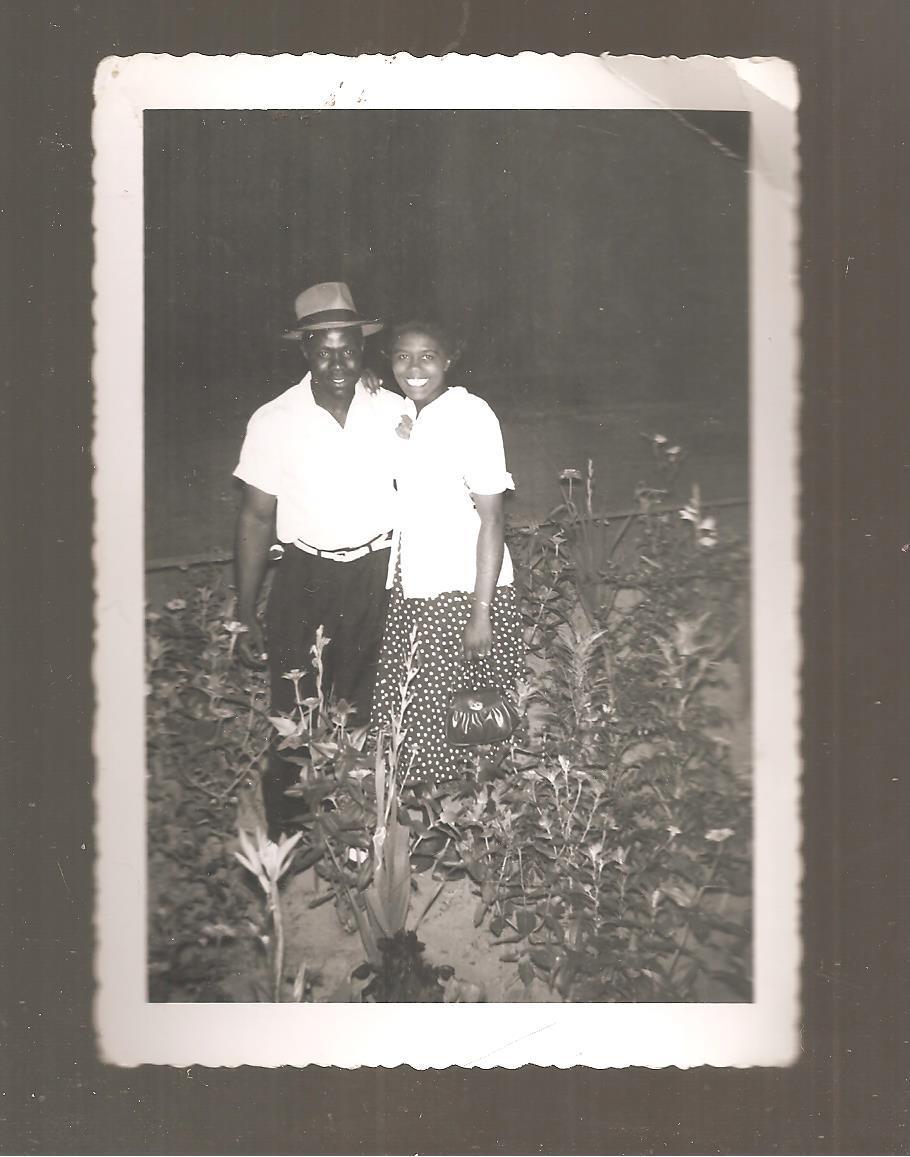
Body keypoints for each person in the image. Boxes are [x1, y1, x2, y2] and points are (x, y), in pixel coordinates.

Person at [233, 282, 404, 837]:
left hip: (379, 572)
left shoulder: (394, 410)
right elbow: (258, 518)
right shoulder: (273, 420)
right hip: (306, 577)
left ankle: (359, 831)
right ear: (304, 349)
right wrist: (245, 606)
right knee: (297, 706)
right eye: (323, 350)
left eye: (349, 349)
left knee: (368, 704)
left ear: (364, 348)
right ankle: (289, 836)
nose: (338, 363)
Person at [371, 320, 524, 785]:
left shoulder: (470, 414)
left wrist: (481, 613)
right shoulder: (402, 410)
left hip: (460, 589)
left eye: (428, 356)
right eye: (402, 356)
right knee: (415, 704)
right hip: (412, 581)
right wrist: (367, 382)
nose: (414, 367)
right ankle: (425, 813)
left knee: (457, 712)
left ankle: (461, 820)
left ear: (449, 360)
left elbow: (493, 518)